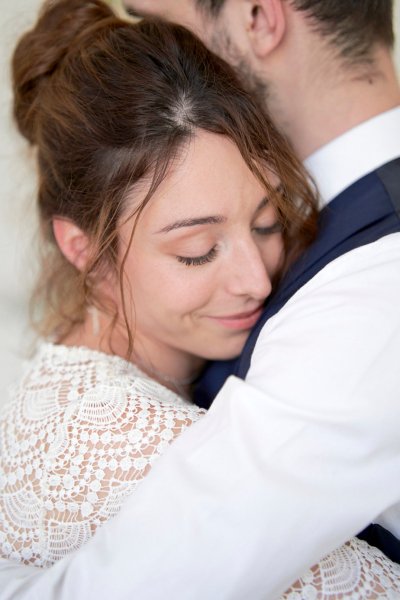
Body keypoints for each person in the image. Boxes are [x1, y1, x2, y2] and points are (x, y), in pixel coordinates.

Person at [1, 1, 400, 599]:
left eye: (268, 225)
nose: (256, 282)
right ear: (83, 248)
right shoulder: (118, 441)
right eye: (197, 250)